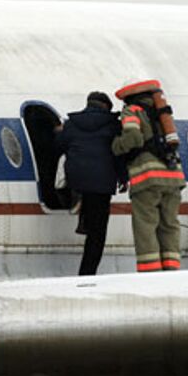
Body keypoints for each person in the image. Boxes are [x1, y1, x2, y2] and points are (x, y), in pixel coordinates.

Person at [111, 83, 186, 272]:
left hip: (148, 177)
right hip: (174, 175)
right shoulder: (163, 114)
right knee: (170, 224)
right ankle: (171, 268)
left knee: (145, 224)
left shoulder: (132, 111)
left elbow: (133, 138)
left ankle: (150, 270)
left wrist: (116, 146)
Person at [55, 91, 128, 275]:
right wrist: (123, 178)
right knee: (98, 232)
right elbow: (118, 153)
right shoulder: (112, 125)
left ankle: (79, 207)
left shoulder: (71, 124)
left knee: (88, 205)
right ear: (107, 107)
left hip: (77, 179)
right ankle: (87, 271)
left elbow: (59, 145)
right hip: (102, 183)